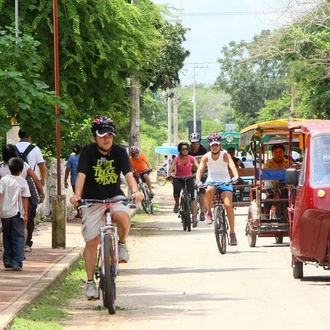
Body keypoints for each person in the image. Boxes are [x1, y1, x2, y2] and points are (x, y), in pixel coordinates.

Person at [69, 115, 144, 301]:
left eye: (109, 134)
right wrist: (77, 195)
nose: (106, 138)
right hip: (92, 199)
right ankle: (90, 283)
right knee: (92, 241)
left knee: (123, 215)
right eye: (102, 135)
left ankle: (122, 243)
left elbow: (128, 174)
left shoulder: (119, 151)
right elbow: (81, 175)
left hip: (114, 196)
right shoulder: (87, 152)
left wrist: (135, 191)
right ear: (94, 137)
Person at [195, 133, 239, 245]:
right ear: (210, 146)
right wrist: (198, 180)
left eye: (217, 145)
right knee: (208, 190)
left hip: (225, 181)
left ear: (220, 145)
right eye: (213, 145)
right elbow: (200, 169)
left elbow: (232, 166)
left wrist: (235, 176)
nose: (215, 147)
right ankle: (208, 212)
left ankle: (232, 233)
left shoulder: (225, 155)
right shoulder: (206, 156)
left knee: (228, 205)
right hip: (212, 180)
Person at [16, 130, 47, 253]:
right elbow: (42, 167)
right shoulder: (35, 149)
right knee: (30, 213)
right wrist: (42, 181)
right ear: (29, 136)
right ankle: (27, 242)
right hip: (29, 184)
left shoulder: (12, 148)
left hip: (12, 184)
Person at [0, 157, 30, 271]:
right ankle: (17, 261)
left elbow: (0, 195)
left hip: (5, 213)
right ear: (22, 170)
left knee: (6, 236)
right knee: (18, 237)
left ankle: (7, 260)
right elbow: (25, 198)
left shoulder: (3, 180)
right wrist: (26, 213)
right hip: (17, 213)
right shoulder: (22, 181)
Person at [167, 141, 199, 227]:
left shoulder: (192, 158)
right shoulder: (177, 159)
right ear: (180, 150)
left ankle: (194, 216)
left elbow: (197, 166)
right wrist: (169, 174)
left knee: (192, 197)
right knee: (176, 192)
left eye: (186, 149)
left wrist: (200, 172)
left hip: (189, 178)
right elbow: (171, 167)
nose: (185, 151)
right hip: (178, 178)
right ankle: (177, 203)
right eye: (182, 149)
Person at [188, 132, 208, 221]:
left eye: (196, 143)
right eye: (193, 143)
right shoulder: (187, 149)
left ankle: (203, 211)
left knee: (202, 191)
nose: (195, 145)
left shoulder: (204, 150)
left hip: (203, 171)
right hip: (190, 171)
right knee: (189, 190)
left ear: (199, 142)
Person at [64, 144, 82, 218]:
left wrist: (65, 180)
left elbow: (67, 169)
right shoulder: (83, 158)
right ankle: (83, 212)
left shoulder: (71, 159)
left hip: (74, 180)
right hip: (83, 180)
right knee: (83, 197)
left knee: (76, 197)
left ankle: (78, 213)